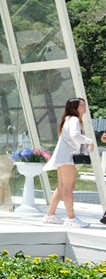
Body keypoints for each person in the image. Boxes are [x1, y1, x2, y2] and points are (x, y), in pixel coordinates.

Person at [43, 98, 95, 228]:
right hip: (67, 158)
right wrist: (89, 141)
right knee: (68, 188)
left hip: (63, 157)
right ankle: (71, 218)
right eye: (82, 105)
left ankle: (50, 215)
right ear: (74, 107)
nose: (84, 107)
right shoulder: (74, 119)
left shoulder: (68, 119)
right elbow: (75, 136)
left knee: (62, 188)